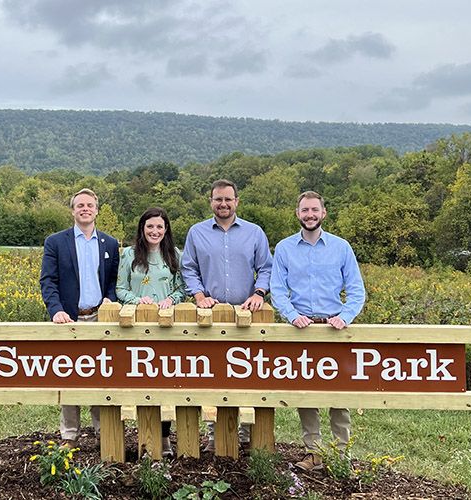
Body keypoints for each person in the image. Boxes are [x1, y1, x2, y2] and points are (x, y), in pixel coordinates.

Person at [269, 190, 366, 471]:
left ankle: (341, 454)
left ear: (323, 213)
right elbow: (277, 290)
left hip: (334, 328)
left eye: (314, 210)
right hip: (302, 328)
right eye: (304, 210)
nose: (309, 215)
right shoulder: (285, 248)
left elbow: (357, 291)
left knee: (339, 394)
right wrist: (292, 315)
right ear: (297, 214)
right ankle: (314, 452)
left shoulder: (341, 247)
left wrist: (344, 316)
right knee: (307, 394)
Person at [182, 179, 273, 453]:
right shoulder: (196, 233)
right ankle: (213, 435)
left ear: (237, 202)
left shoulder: (254, 233)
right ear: (210, 201)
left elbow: (266, 268)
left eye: (228, 199)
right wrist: (199, 296)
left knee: (246, 375)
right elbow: (188, 268)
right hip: (210, 315)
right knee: (212, 376)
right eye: (218, 199)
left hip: (245, 315)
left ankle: (244, 435)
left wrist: (259, 293)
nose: (223, 204)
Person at [40, 188, 119, 447]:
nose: (85, 209)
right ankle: (70, 435)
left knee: (101, 375)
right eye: (79, 205)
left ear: (97, 210)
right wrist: (56, 310)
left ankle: (102, 430)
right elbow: (48, 281)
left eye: (89, 205)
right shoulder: (56, 242)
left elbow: (113, 281)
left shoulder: (110, 243)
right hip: (69, 319)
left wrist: (110, 299)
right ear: (72, 210)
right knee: (68, 375)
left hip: (99, 318)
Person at [116, 207, 185, 457]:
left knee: (166, 383)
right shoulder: (128, 255)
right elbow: (120, 289)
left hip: (166, 327)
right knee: (142, 381)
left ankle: (165, 438)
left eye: (159, 227)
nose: (154, 231)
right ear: (142, 229)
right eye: (150, 227)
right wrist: (136, 300)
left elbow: (182, 289)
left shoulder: (174, 255)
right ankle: (145, 438)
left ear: (166, 230)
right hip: (137, 326)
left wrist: (172, 300)